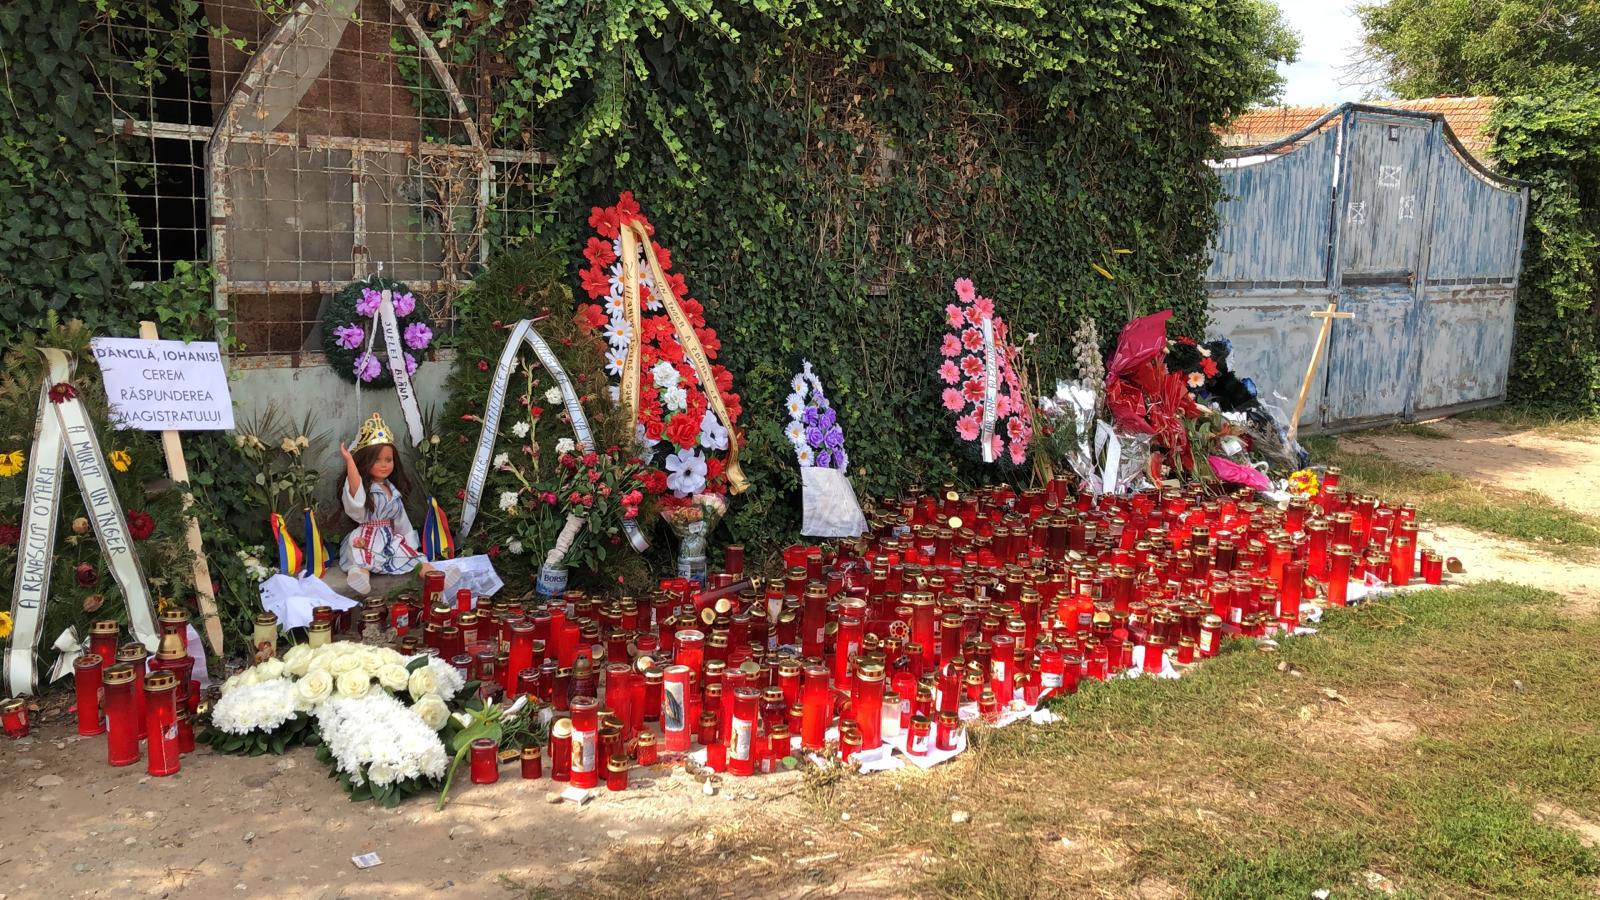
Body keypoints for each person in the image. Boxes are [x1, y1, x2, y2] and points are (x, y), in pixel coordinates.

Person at [337, 412, 433, 594]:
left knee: (415, 559)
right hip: (366, 536)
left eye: (388, 460)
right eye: (377, 460)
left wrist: (410, 542)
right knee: (361, 559)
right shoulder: (365, 489)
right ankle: (360, 578)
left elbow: (401, 520)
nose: (384, 465)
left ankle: (436, 577)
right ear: (365, 462)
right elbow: (355, 495)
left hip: (389, 538)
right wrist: (350, 462)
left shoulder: (393, 491)